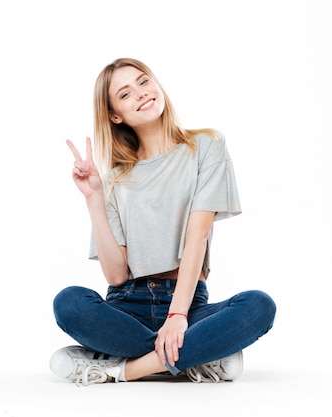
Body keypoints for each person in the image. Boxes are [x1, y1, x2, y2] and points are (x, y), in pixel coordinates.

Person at [50, 58, 276, 386]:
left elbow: (196, 237)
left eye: (144, 82)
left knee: (258, 306)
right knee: (69, 302)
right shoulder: (114, 178)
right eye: (125, 94)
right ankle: (194, 358)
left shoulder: (206, 145)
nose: (141, 94)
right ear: (115, 115)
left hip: (188, 302)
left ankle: (122, 369)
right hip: (128, 306)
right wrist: (94, 199)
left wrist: (177, 316)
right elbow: (115, 274)